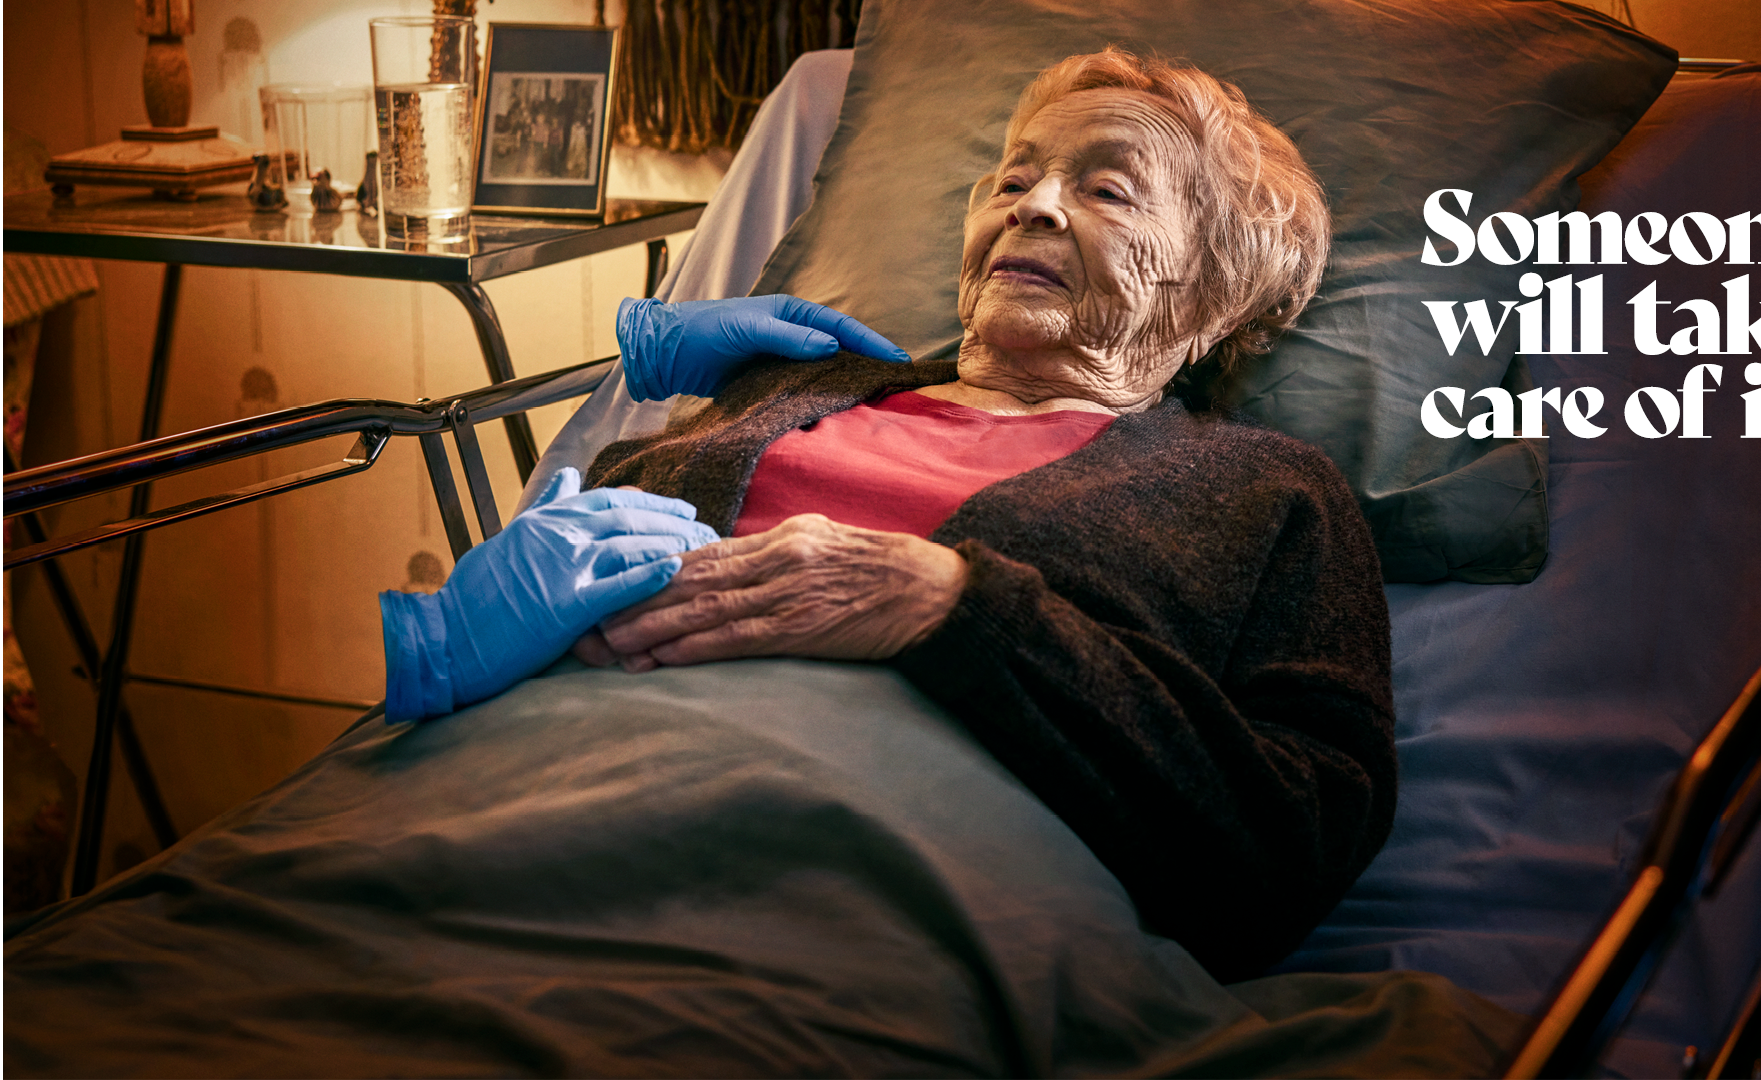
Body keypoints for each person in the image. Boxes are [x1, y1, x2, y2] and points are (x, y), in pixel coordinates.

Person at [380, 48, 1387, 981]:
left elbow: (1293, 846)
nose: (1031, 206)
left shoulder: (1265, 491)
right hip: (499, 793)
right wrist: (478, 625)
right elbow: (568, 557)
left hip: (839, 890)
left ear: (1218, 289)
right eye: (1011, 178)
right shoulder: (792, 380)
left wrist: (954, 611)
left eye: (1106, 188)